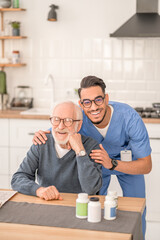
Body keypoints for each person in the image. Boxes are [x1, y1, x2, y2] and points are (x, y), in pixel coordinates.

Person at [32, 76, 152, 239]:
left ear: (106, 98)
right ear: (81, 104)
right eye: (87, 102)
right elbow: (57, 130)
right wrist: (42, 134)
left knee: (137, 210)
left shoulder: (129, 117)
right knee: (95, 210)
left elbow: (146, 165)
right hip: (98, 165)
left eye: (98, 100)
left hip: (126, 164)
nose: (94, 107)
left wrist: (112, 163)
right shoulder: (78, 118)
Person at [11, 101, 102, 201]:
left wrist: (80, 151)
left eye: (68, 120)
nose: (61, 126)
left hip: (78, 206)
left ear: (79, 125)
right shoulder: (42, 143)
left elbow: (91, 189)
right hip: (47, 204)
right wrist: (39, 190)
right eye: (56, 120)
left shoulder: (91, 146)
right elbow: (18, 179)